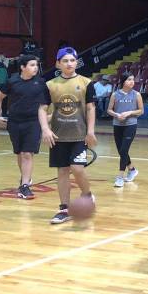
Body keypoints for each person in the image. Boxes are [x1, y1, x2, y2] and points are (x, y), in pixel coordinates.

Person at [38, 47, 97, 224]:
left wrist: (90, 131)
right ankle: (64, 209)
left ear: (76, 62)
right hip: (58, 136)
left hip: (79, 135)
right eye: (65, 61)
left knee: (77, 168)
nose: (69, 63)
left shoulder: (86, 82)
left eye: (72, 60)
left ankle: (87, 195)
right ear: (58, 64)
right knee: (62, 171)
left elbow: (90, 108)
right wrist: (45, 129)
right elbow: (42, 109)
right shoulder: (50, 85)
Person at [0, 54, 47, 199]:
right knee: (19, 153)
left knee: (27, 153)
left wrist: (47, 117)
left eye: (36, 65)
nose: (35, 68)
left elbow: (47, 102)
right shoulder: (12, 81)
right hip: (14, 122)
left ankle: (24, 186)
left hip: (33, 122)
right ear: (23, 67)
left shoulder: (40, 82)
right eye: (32, 65)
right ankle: (25, 178)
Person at [108, 72, 143, 188]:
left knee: (123, 150)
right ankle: (132, 170)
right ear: (123, 81)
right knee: (121, 151)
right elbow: (109, 110)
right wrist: (116, 115)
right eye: (129, 79)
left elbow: (141, 111)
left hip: (130, 125)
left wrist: (130, 112)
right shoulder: (115, 94)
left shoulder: (136, 94)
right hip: (117, 125)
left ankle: (120, 177)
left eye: (133, 79)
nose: (132, 82)